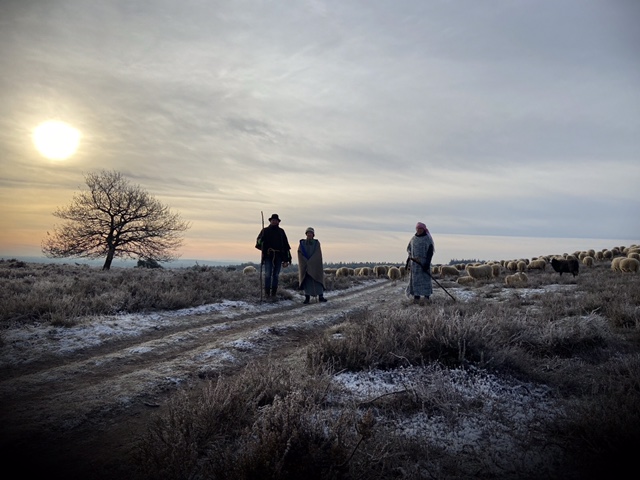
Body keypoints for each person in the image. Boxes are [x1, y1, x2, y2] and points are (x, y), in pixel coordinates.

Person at [256, 213, 291, 299]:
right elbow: (258, 242)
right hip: (268, 256)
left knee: (276, 275)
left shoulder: (281, 232)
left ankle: (274, 293)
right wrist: (261, 241)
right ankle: (267, 293)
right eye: (272, 220)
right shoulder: (265, 231)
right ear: (270, 221)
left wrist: (286, 259)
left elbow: (286, 245)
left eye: (275, 220)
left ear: (278, 222)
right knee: (268, 274)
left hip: (279, 256)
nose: (274, 221)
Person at [406, 222, 435, 303]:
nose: (419, 230)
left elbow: (430, 251)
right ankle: (416, 297)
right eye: (418, 229)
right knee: (415, 281)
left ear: (424, 229)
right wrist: (408, 260)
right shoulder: (413, 239)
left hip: (424, 263)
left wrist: (427, 263)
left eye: (420, 229)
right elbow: (409, 250)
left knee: (425, 280)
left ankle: (426, 298)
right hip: (415, 264)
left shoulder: (428, 239)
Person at [297, 227, 326, 304]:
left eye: (311, 233)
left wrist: (312, 261)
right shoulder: (302, 243)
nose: (309, 234)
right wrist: (305, 261)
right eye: (308, 233)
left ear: (313, 234)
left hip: (315, 264)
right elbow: (300, 253)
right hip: (305, 265)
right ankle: (307, 297)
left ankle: (321, 296)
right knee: (307, 280)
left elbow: (318, 253)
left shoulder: (316, 243)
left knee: (318, 278)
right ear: (306, 234)